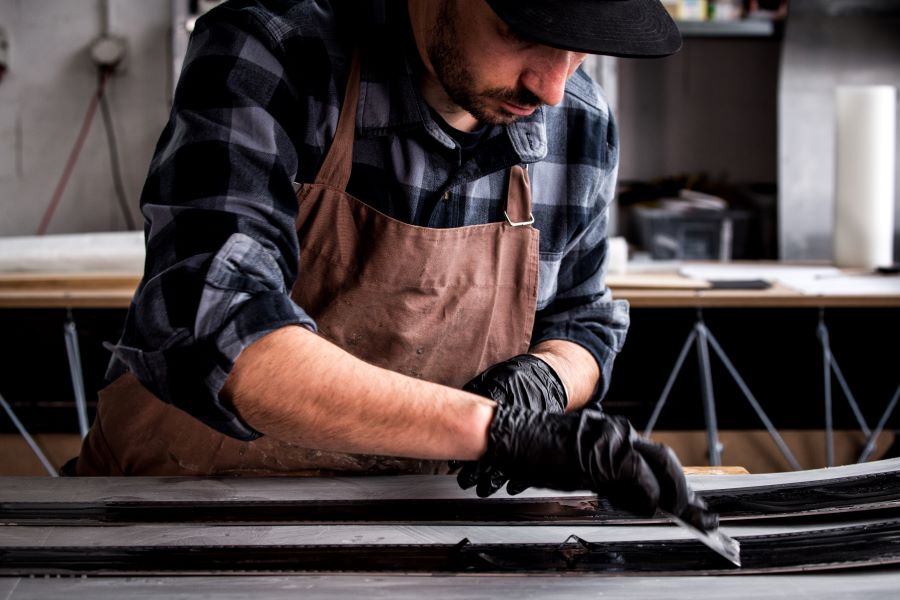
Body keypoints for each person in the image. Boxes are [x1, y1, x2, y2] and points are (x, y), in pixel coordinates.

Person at [75, 0, 713, 529]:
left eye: (579, 50)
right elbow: (221, 327)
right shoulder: (274, 51)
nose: (550, 86)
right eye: (524, 33)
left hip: (419, 524)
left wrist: (541, 385)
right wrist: (496, 430)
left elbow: (580, 320)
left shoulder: (578, 118)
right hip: (188, 512)